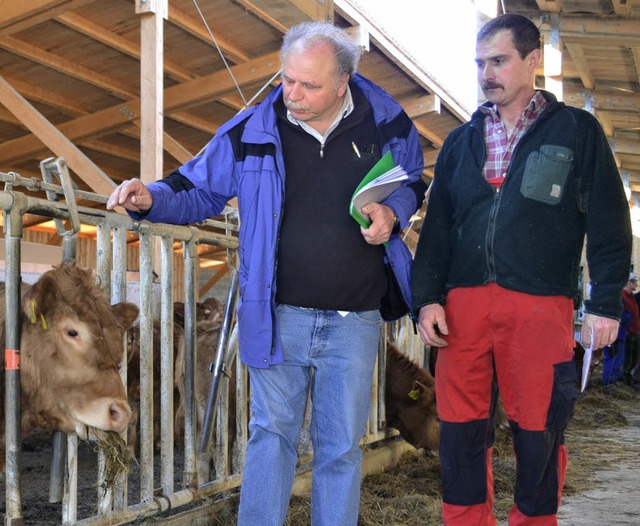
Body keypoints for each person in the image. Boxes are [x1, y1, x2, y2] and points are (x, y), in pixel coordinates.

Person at [107, 21, 426, 526]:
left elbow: (411, 180)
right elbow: (196, 186)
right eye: (286, 79)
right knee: (271, 436)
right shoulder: (254, 128)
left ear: (342, 83)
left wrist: (394, 212)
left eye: (308, 85)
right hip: (279, 314)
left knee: (340, 447)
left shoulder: (387, 123)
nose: (291, 94)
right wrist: (152, 198)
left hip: (355, 318)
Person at [411, 13, 632, 526]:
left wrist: (603, 304)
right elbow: (437, 227)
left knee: (539, 428)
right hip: (463, 305)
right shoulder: (460, 143)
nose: (487, 73)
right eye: (480, 63)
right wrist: (427, 298)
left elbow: (607, 220)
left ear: (533, 61)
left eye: (499, 60)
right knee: (461, 429)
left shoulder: (576, 130)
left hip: (539, 302)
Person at [623, 274, 640, 385]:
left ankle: (631, 380)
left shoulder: (632, 297)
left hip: (636, 331)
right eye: (635, 282)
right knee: (627, 358)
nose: (637, 284)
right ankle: (626, 382)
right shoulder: (623, 296)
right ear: (629, 282)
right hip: (628, 332)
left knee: (634, 358)